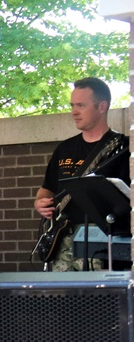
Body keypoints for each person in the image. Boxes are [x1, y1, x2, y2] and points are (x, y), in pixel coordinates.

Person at [33, 77, 130, 271]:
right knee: (60, 298)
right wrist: (40, 203)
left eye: (81, 105)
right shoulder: (64, 148)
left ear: (102, 106)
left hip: (100, 241)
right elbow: (47, 189)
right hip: (61, 239)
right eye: (72, 105)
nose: (74, 112)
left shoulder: (123, 148)